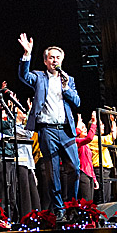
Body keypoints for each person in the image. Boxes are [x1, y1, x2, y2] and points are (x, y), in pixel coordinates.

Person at [18, 34, 81, 217]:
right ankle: (59, 208)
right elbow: (24, 76)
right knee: (52, 171)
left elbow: (77, 102)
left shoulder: (68, 79)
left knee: (75, 168)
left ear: (62, 60)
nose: (55, 60)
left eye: (58, 57)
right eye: (51, 57)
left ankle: (72, 205)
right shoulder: (39, 77)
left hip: (66, 130)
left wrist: (66, 88)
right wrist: (27, 55)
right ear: (45, 61)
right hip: (47, 130)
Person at [90, 113, 116, 204]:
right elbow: (112, 137)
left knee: (106, 196)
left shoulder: (98, 139)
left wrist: (113, 121)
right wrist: (113, 122)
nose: (103, 126)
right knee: (103, 198)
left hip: (104, 170)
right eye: (101, 124)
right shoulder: (94, 139)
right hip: (100, 169)